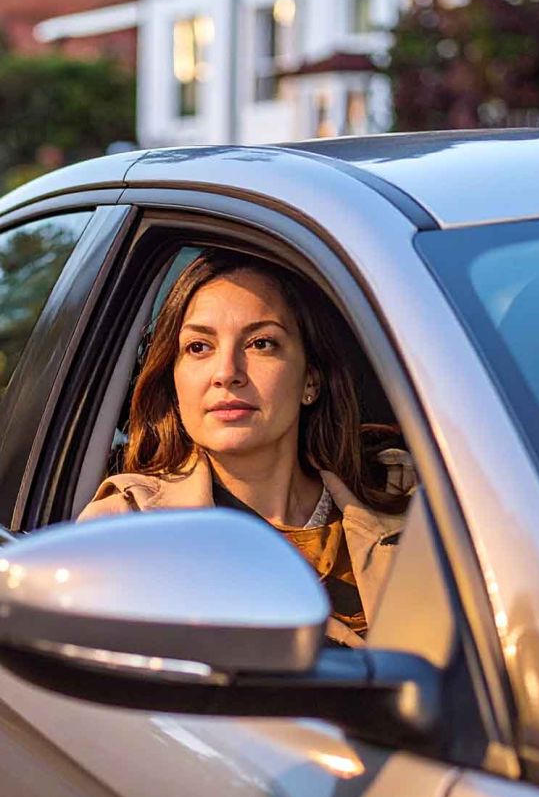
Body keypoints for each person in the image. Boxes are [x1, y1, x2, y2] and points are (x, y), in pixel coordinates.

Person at [79, 248, 414, 646]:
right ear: (174, 380)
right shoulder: (124, 532)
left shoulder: (412, 502)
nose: (226, 374)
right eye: (199, 347)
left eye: (260, 343)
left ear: (311, 380)